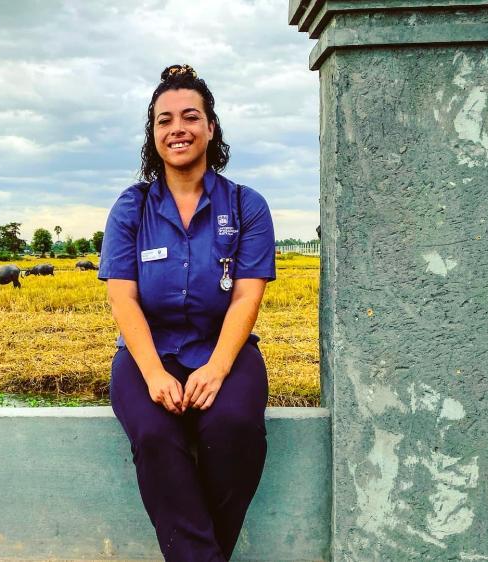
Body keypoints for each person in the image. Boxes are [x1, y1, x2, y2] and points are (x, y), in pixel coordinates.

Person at [98, 64, 276, 561]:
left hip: (226, 349)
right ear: (153, 135)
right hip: (146, 353)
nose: (177, 128)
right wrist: (153, 373)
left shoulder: (246, 206)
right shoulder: (131, 208)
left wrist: (217, 369)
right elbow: (122, 296)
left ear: (210, 128)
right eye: (164, 120)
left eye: (190, 117)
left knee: (233, 429)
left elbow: (246, 296)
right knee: (154, 435)